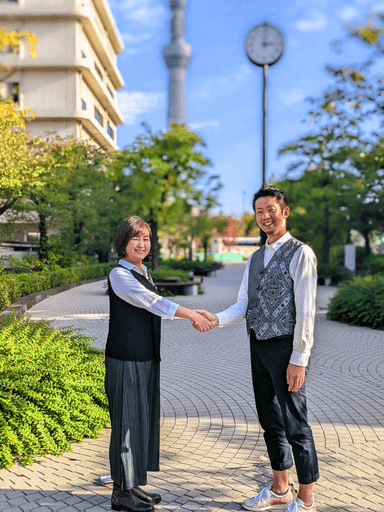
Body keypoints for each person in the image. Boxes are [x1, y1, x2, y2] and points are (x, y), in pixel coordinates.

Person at [198, 186, 319, 512]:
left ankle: (306, 498)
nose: (265, 216)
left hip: (286, 348)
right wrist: (215, 319)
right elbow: (243, 305)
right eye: (259, 212)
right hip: (258, 345)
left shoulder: (300, 253)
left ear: (285, 211)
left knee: (296, 422)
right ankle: (280, 488)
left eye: (270, 209)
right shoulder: (254, 258)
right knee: (270, 421)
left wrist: (299, 358)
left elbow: (307, 312)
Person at [105, 216, 211, 512]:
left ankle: (131, 484)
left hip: (146, 358)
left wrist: (190, 313)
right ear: (123, 242)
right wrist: (191, 313)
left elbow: (156, 304)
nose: (142, 244)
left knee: (140, 421)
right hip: (124, 359)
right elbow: (153, 303)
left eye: (147, 239)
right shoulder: (119, 275)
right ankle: (120, 494)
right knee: (126, 423)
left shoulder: (143, 270)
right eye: (136, 238)